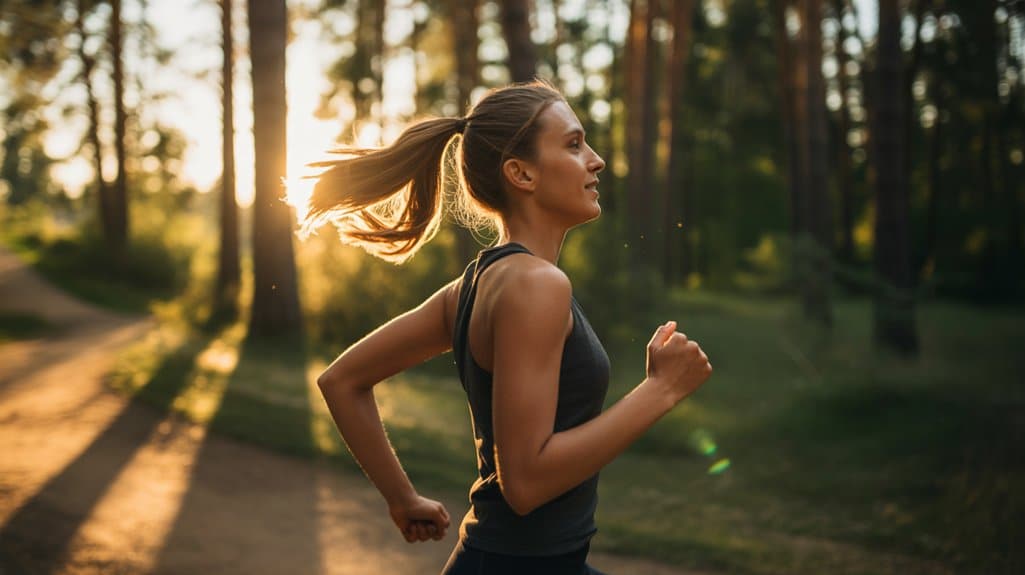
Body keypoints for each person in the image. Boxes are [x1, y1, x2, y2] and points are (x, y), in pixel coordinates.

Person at [302, 80, 713, 574]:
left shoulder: (474, 285)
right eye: (573, 143)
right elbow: (526, 484)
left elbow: (341, 380)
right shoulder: (535, 285)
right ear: (521, 173)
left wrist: (403, 499)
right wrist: (660, 390)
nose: (596, 159)